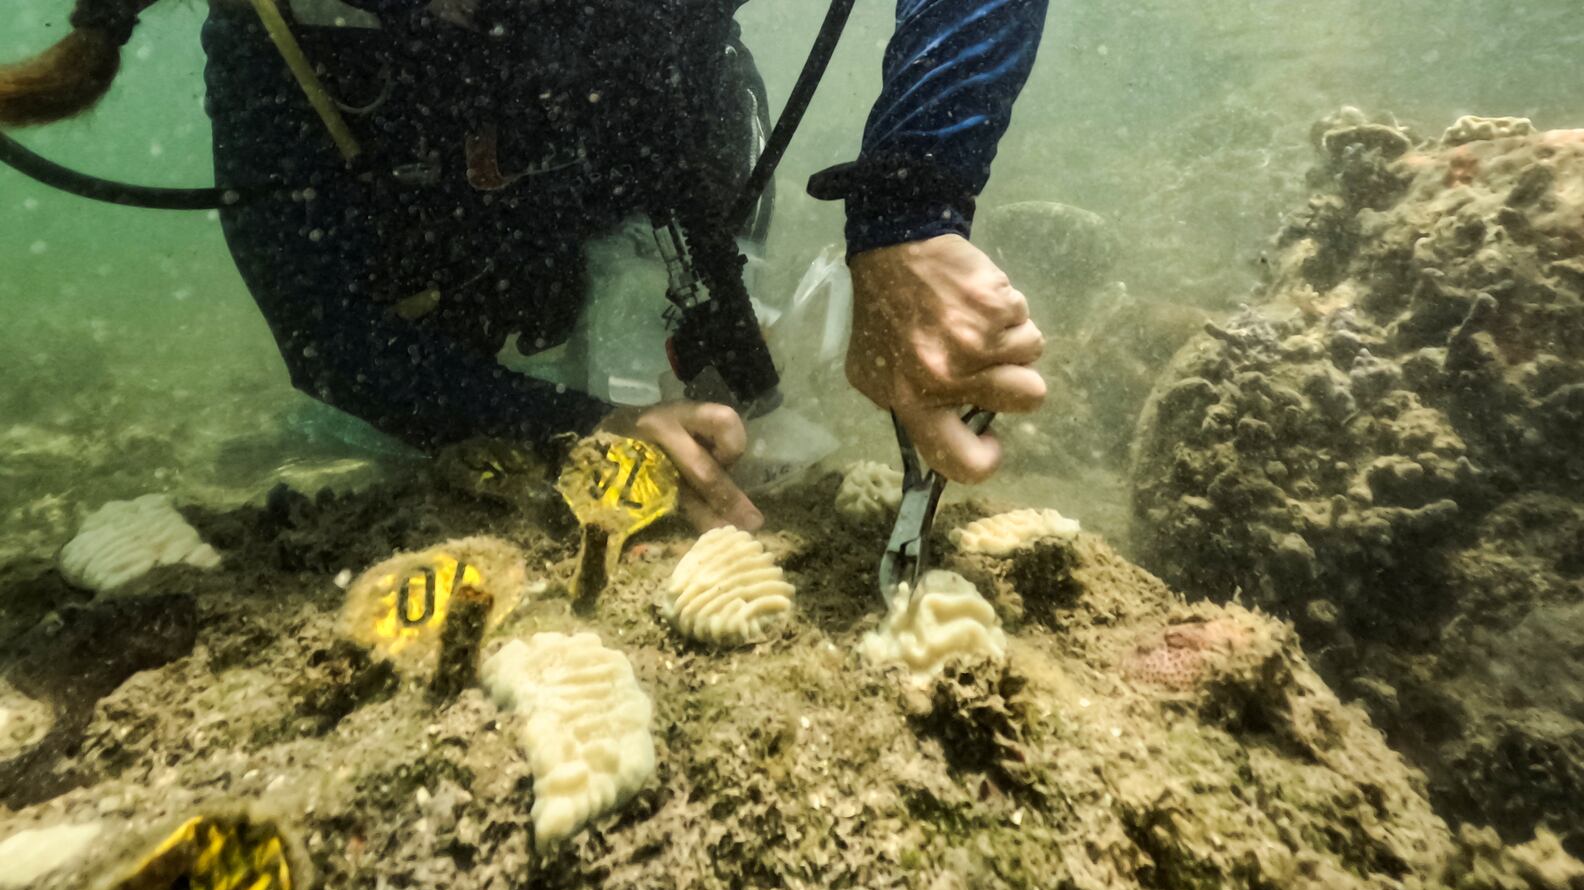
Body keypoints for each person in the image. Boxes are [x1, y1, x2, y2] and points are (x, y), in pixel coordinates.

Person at [0, 0, 1049, 533]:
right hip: (429, 204)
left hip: (651, 114)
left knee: (703, 282)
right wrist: (572, 427)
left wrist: (911, 209)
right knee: (421, 366)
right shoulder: (279, 27)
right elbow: (325, 327)